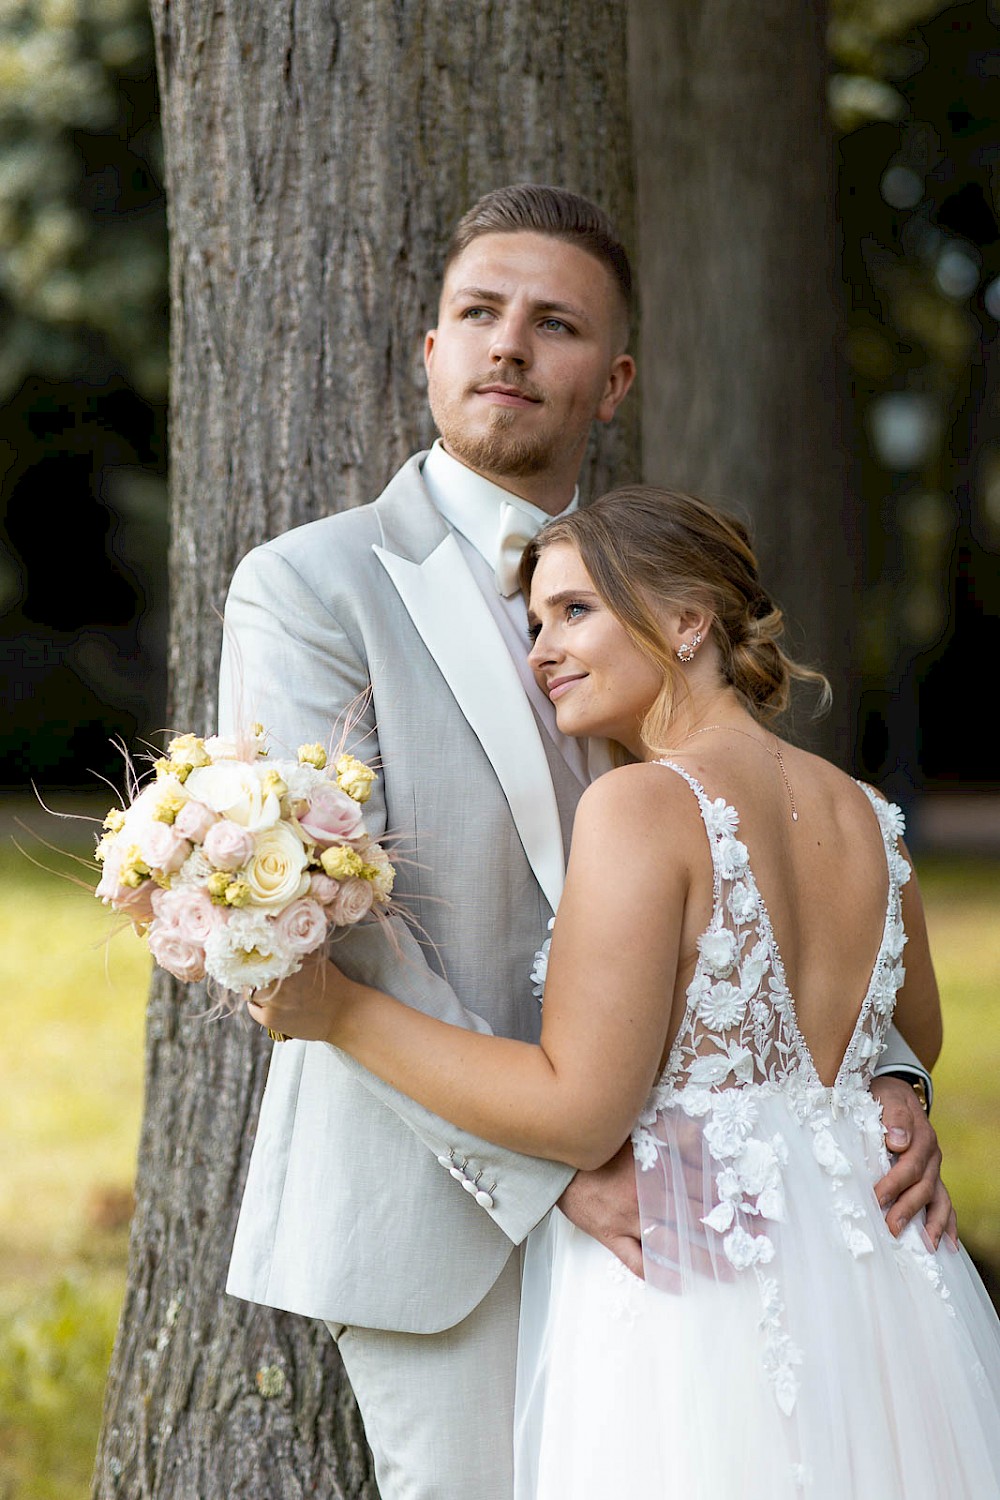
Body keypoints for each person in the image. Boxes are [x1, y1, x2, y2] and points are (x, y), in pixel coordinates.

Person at [222, 185, 949, 1499]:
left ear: (611, 381)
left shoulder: (639, 588)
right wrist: (560, 1170)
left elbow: (774, 910)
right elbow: (320, 924)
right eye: (477, 313)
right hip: (449, 1205)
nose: (508, 345)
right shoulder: (310, 586)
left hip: (708, 1217)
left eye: (552, 324)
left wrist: (878, 1089)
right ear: (432, 349)